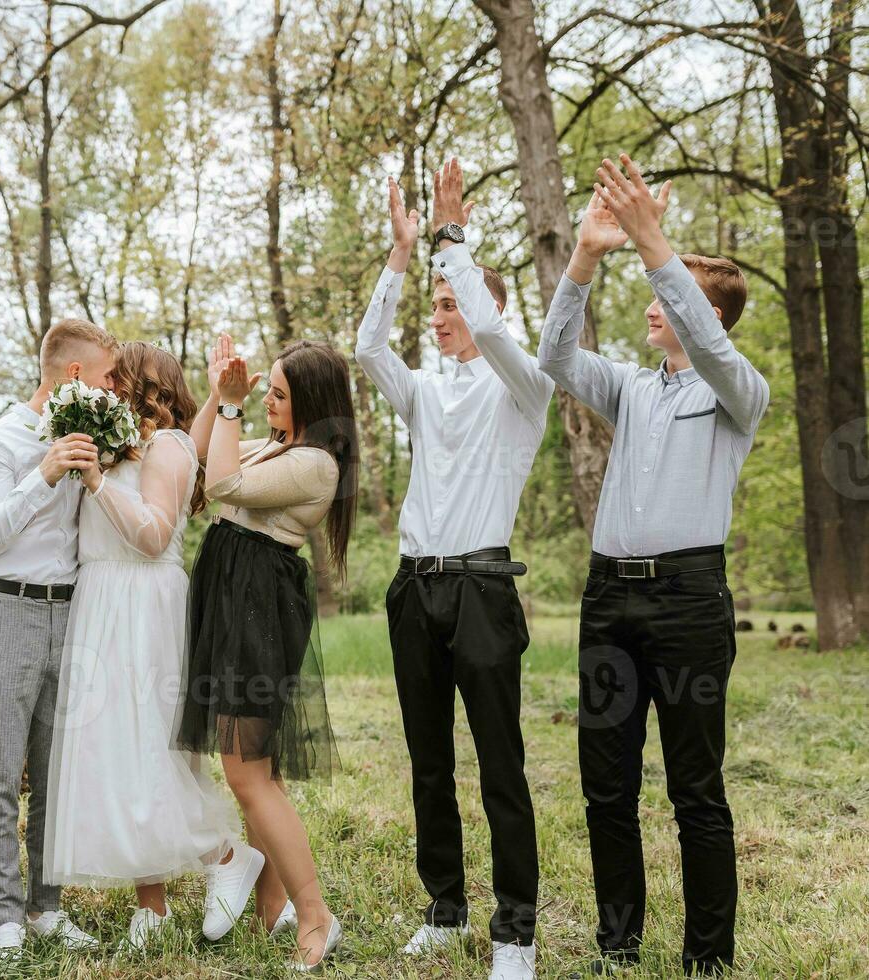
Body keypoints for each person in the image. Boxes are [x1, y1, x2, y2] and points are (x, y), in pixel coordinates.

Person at [539, 155, 768, 976]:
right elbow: (555, 356)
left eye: (669, 296)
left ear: (705, 313)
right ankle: (617, 946)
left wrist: (651, 238)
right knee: (607, 791)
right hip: (609, 602)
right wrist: (589, 257)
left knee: (694, 793)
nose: (651, 303)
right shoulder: (630, 387)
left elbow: (706, 343)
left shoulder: (738, 391)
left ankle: (707, 959)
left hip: (689, 602)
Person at [355, 160, 549, 980]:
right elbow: (368, 349)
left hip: (482, 587)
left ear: (482, 308)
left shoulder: (523, 387)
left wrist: (452, 240)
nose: (437, 319)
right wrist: (403, 259)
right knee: (428, 759)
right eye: (434, 306)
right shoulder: (425, 395)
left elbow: (496, 335)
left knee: (499, 762)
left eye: (448, 306)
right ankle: (444, 908)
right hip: (414, 588)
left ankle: (516, 934)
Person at [43, 342, 242, 951]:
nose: (105, 389)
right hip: (101, 598)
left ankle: (227, 856)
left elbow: (155, 536)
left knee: (152, 748)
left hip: (145, 602)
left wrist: (99, 481)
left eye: (115, 380)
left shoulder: (170, 447)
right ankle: (150, 906)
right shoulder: (126, 443)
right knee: (117, 753)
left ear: (142, 385)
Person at [176, 337, 357, 972]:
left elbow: (224, 479)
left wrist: (230, 412)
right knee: (261, 772)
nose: (268, 402)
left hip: (257, 611)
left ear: (310, 401)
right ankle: (273, 908)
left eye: (278, 394)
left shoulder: (315, 463)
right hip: (237, 603)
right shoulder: (281, 446)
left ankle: (315, 915)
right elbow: (201, 459)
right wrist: (215, 395)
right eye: (268, 392)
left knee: (248, 775)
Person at [0, 318, 118, 959]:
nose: (115, 390)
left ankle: (46, 905)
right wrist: (44, 474)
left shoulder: (94, 441)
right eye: (108, 378)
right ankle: (3, 915)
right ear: (76, 376)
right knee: (1, 774)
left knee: (58, 776)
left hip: (71, 615)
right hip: (6, 613)